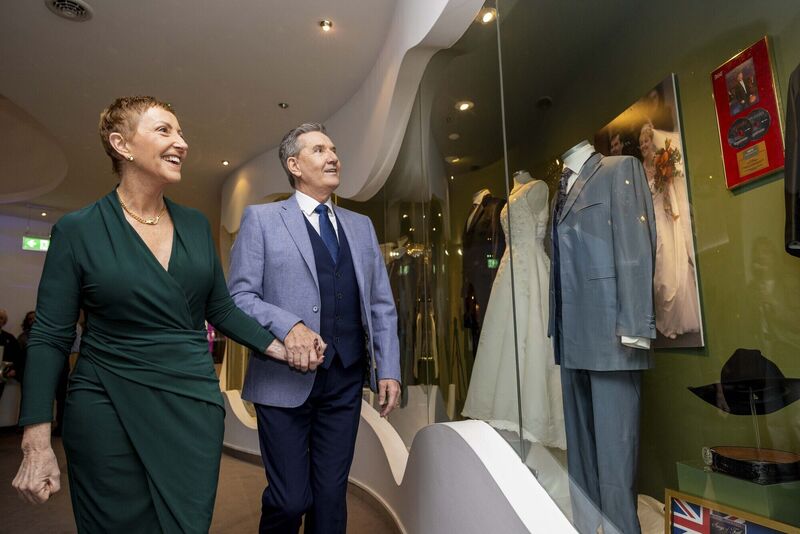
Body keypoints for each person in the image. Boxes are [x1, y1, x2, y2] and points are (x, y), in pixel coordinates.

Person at [12, 96, 287, 533]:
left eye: (181, 133)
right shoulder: (78, 230)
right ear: (121, 144)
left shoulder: (195, 225)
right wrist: (36, 437)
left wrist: (281, 344)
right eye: (164, 130)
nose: (181, 142)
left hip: (191, 404)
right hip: (107, 404)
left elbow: (219, 308)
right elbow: (49, 335)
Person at [228, 122, 401, 534]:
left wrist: (388, 367)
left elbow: (380, 303)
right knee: (290, 501)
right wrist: (290, 326)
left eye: (334, 149)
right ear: (294, 164)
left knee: (330, 499)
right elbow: (239, 298)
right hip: (281, 380)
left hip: (344, 380)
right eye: (320, 150)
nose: (333, 156)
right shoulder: (262, 220)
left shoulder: (360, 227)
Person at [639, 123, 700, 339]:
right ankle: (666, 318)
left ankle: (679, 317)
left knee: (670, 263)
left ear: (652, 140)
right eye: (641, 143)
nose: (644, 145)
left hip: (666, 217)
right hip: (653, 222)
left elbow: (670, 187)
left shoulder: (662, 162)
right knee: (660, 270)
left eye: (646, 141)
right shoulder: (640, 170)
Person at [0, 309, 23, 398]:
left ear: (4, 322)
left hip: (1, 376)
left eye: (1, 318)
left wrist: (14, 369)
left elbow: (18, 356)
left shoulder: (9, 338)